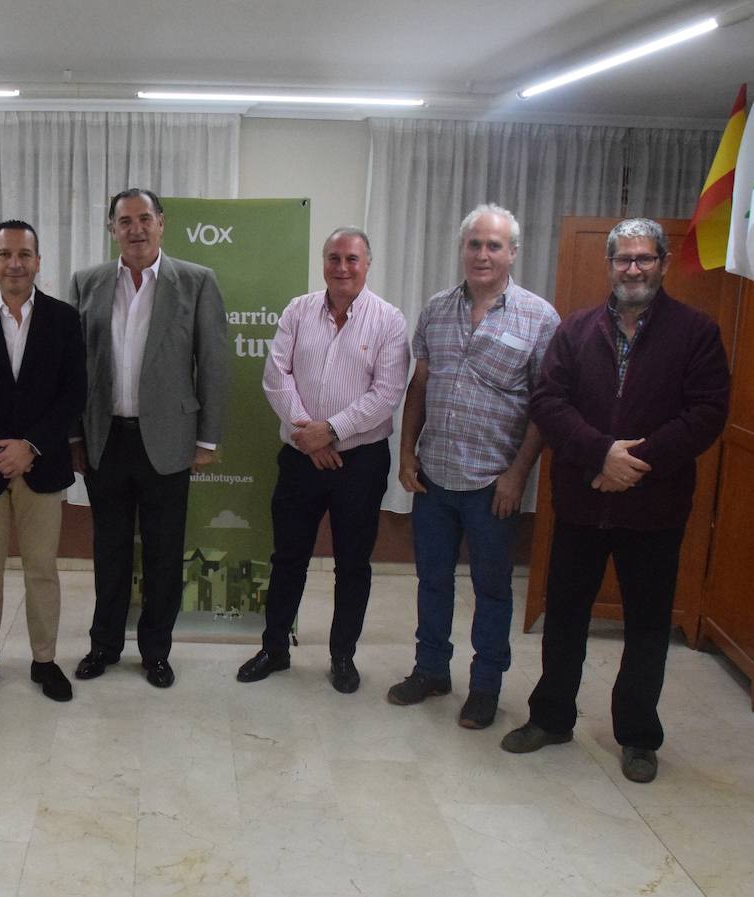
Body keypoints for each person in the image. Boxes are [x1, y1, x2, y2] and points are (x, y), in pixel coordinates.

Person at [502, 218, 729, 783]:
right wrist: (601, 454)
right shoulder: (575, 331)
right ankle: (551, 719)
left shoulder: (695, 332)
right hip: (581, 504)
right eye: (623, 259)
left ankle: (637, 736)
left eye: (644, 258)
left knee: (649, 627)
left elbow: (706, 414)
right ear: (609, 265)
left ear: (662, 264)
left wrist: (633, 465)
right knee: (565, 619)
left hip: (654, 511)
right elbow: (548, 401)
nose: (633, 268)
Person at [389, 203, 559, 729]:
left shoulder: (540, 318)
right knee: (433, 581)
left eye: (493, 245)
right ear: (463, 248)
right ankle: (431, 669)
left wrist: (517, 476)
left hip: (494, 485)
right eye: (474, 244)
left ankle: (485, 686)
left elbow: (545, 407)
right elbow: (419, 386)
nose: (482, 254)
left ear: (512, 253)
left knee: (491, 591)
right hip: (434, 476)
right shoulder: (437, 309)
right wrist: (406, 451)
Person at [67, 188, 230, 688]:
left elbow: (214, 363)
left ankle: (156, 651)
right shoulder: (87, 282)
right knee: (109, 551)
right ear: (111, 228)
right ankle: (104, 646)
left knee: (163, 552)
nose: (135, 228)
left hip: (169, 439)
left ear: (162, 223)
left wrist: (207, 439)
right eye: (124, 220)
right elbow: (73, 368)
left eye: (144, 219)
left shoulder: (197, 282)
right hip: (104, 439)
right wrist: (74, 436)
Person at [237, 227, 408, 694]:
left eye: (352, 258)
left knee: (353, 563)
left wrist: (330, 431)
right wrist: (308, 436)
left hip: (362, 461)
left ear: (367, 264)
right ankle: (274, 649)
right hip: (299, 457)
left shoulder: (389, 320)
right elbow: (276, 376)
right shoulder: (297, 310)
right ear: (323, 262)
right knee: (287, 557)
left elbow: (388, 393)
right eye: (334, 257)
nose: (342, 267)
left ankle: (343, 656)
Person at [0, 220, 87, 702]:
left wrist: (32, 447)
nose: (15, 263)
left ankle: (44, 662)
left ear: (38, 261)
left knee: (42, 569)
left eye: (24, 254)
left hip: (42, 468)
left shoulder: (65, 319)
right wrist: (2, 448)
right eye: (5, 254)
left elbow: (74, 395)